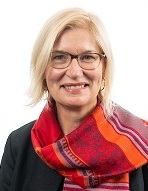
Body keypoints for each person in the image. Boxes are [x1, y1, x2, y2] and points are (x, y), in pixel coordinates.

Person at [0, 7, 147, 191]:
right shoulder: (19, 144)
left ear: (104, 68)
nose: (75, 72)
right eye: (59, 57)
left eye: (87, 57)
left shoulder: (141, 142)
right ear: (42, 70)